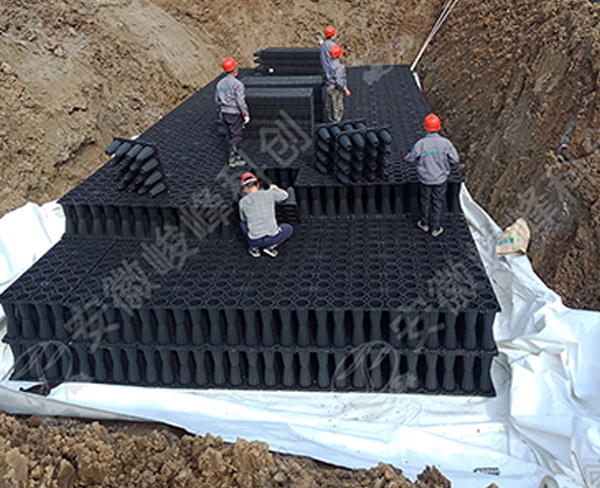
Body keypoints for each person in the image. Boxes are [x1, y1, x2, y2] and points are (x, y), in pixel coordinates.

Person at [404, 113, 459, 237]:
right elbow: (455, 159)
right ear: (438, 127)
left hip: (425, 179)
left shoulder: (421, 144)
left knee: (425, 201)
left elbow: (411, 158)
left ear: (425, 127)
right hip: (440, 179)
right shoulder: (446, 144)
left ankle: (424, 223)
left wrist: (407, 157)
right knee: (437, 202)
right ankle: (435, 228)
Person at [239, 172, 294, 257]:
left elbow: (243, 219)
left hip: (255, 240)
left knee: (242, 223)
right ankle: (271, 247)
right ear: (257, 185)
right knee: (288, 228)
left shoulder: (242, 202)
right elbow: (285, 195)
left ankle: (254, 249)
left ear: (244, 188)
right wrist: (275, 188)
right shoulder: (269, 193)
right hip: (273, 238)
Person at [215, 57, 250, 167]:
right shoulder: (237, 84)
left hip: (224, 113)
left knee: (229, 134)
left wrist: (221, 111)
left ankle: (235, 155)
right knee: (236, 135)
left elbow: (217, 100)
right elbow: (240, 101)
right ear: (234, 69)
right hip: (234, 113)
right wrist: (245, 114)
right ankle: (233, 159)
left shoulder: (220, 84)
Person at [326, 45, 351, 122]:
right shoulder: (339, 67)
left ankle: (331, 121)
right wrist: (345, 89)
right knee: (337, 107)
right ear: (338, 55)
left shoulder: (329, 64)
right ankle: (336, 123)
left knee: (331, 106)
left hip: (329, 86)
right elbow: (339, 80)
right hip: (335, 89)